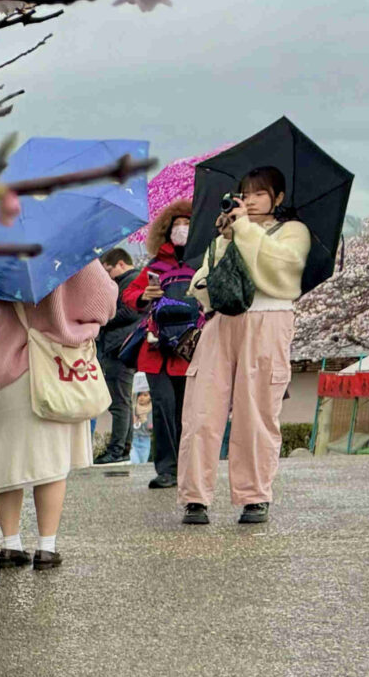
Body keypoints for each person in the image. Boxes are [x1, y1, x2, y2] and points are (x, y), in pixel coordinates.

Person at [178, 166, 309, 526]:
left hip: (269, 319)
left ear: (278, 198)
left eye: (259, 193)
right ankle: (195, 497)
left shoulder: (294, 231)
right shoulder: (229, 231)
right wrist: (222, 240)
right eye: (245, 193)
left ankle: (254, 496)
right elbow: (202, 284)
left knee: (256, 411)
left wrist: (244, 230)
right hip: (223, 322)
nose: (249, 200)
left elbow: (278, 267)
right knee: (201, 410)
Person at [0, 258, 119, 571]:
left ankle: (10, 545)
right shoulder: (69, 249)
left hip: (5, 366)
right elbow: (104, 303)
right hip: (53, 365)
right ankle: (46, 547)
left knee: (8, 456)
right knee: (51, 462)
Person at [128, 202, 198, 490]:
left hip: (190, 348)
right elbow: (130, 295)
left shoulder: (203, 262)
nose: (182, 228)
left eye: (188, 222)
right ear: (167, 229)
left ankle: (187, 467)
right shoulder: (155, 265)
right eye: (177, 223)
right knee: (163, 407)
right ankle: (166, 469)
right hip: (157, 350)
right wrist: (146, 295)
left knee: (186, 410)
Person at [94, 248, 139, 462]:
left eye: (108, 270)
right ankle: (122, 448)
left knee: (119, 402)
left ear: (121, 264)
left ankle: (117, 449)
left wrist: (103, 318)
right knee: (123, 401)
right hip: (123, 346)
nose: (107, 276)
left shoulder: (130, 281)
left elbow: (131, 311)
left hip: (118, 347)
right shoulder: (132, 280)